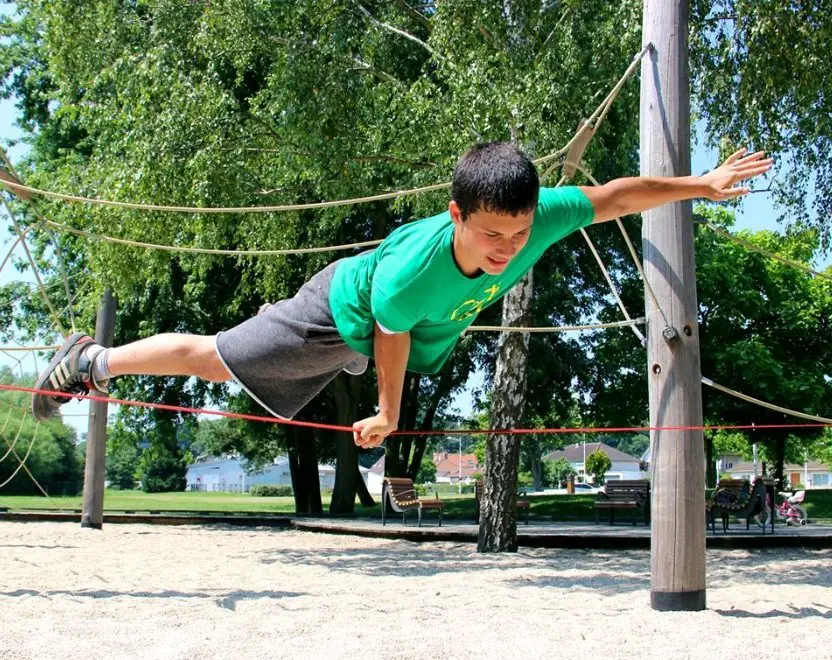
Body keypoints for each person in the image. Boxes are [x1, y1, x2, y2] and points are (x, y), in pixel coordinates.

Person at [31, 142, 772, 447]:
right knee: (215, 358)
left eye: (518, 233)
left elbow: (614, 195)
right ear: (456, 214)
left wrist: (699, 185)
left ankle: (93, 360)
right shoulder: (419, 270)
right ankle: (90, 360)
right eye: (491, 235)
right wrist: (389, 412)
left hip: (392, 333)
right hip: (341, 314)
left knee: (226, 364)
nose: (508, 248)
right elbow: (389, 333)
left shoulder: (541, 214)